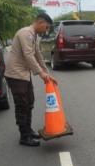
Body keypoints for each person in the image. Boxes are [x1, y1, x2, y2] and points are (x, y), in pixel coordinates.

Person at [5, 13, 57, 147]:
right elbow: (29, 55)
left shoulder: (34, 36)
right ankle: (24, 136)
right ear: (40, 22)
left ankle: (28, 130)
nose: (46, 30)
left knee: (30, 102)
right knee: (22, 105)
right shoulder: (25, 33)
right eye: (46, 27)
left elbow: (38, 55)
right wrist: (41, 73)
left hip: (24, 74)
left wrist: (47, 73)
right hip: (16, 74)